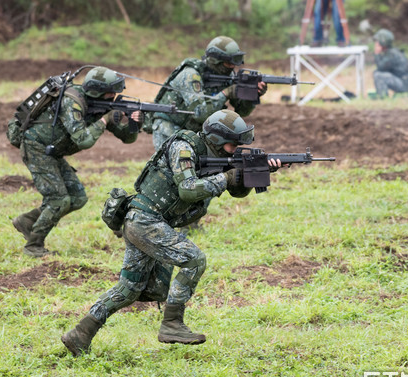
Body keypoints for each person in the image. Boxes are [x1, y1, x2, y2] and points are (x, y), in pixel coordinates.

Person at [61, 110, 282, 356]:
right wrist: (226, 177)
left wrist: (254, 174)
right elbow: (189, 190)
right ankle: (172, 324)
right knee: (194, 260)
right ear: (217, 139)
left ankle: (79, 334)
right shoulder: (183, 148)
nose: (237, 148)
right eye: (233, 143)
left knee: (129, 288)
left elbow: (235, 190)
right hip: (145, 221)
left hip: (146, 223)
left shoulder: (214, 154)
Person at [12, 67, 144, 257]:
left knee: (77, 197)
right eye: (111, 92)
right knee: (59, 199)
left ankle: (26, 222)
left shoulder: (101, 105)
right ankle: (33, 246)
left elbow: (127, 139)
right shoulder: (72, 102)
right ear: (98, 91)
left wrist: (134, 123)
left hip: (53, 150)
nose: (114, 96)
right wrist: (105, 120)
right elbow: (83, 140)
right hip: (37, 147)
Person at [150, 35, 267, 151]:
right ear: (216, 60)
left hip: (191, 129)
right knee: (179, 161)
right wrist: (226, 93)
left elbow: (242, 111)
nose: (232, 66)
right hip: (169, 126)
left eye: (234, 62)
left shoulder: (226, 76)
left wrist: (252, 95)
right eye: (228, 62)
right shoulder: (190, 75)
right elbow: (200, 113)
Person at [372, 29, 408, 99]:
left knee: (378, 75)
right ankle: (382, 96)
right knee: (377, 73)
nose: (376, 43)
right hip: (404, 82)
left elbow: (381, 68)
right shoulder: (391, 52)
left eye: (378, 42)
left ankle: (382, 97)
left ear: (382, 42)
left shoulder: (392, 54)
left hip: (404, 84)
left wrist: (377, 54)